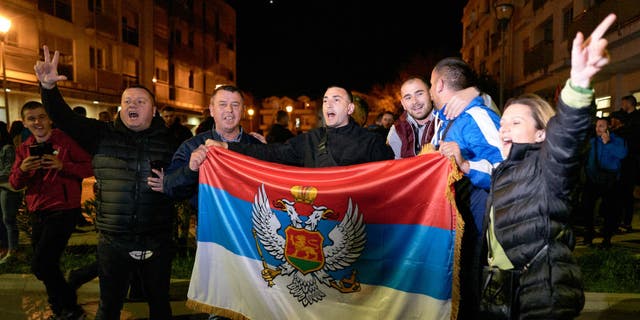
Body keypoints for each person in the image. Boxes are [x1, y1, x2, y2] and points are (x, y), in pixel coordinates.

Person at [478, 14, 616, 320]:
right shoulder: (505, 171)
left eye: (516, 123)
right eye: (502, 124)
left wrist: (578, 84)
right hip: (506, 295)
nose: (504, 130)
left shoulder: (546, 165)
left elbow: (566, 136)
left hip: (542, 296)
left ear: (542, 133)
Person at [35, 45, 179, 320]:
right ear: (120, 107)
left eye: (140, 101)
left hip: (158, 242)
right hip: (113, 243)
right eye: (127, 101)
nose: (132, 105)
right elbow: (65, 118)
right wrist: (48, 88)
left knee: (160, 307)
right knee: (108, 308)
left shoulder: (172, 143)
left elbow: (195, 174)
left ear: (155, 110)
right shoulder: (100, 135)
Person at [9, 101, 94, 319]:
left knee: (40, 265)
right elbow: (15, 184)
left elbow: (89, 166)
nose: (37, 122)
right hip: (37, 211)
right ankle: (62, 309)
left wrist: (63, 166)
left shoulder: (65, 141)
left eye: (41, 117)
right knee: (49, 266)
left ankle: (69, 304)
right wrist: (23, 170)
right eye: (31, 118)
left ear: (49, 119)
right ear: (25, 122)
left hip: (64, 210)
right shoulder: (23, 148)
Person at [206, 86, 394, 167]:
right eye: (325, 100)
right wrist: (228, 147)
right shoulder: (311, 139)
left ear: (350, 108)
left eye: (336, 100)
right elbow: (274, 153)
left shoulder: (372, 143)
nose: (328, 104)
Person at [388, 77, 490, 159]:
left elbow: (485, 106)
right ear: (403, 104)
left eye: (419, 93)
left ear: (431, 95)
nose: (415, 102)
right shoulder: (396, 131)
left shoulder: (448, 116)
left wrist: (475, 92)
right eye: (408, 97)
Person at [581, 117, 627, 247]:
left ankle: (607, 239)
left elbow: (622, 154)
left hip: (610, 180)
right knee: (587, 207)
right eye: (597, 126)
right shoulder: (592, 141)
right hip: (593, 180)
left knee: (609, 210)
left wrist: (608, 143)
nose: (598, 128)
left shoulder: (617, 140)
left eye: (601, 126)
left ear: (608, 127)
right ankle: (589, 234)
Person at [614, 95, 640, 232]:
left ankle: (627, 221)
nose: (622, 105)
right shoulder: (622, 116)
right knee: (620, 191)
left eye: (623, 102)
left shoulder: (636, 119)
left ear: (630, 103)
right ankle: (619, 220)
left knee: (627, 192)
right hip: (621, 158)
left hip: (631, 159)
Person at [0, 121, 23, 265]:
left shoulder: (8, 148)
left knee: (8, 219)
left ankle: (12, 250)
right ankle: (5, 247)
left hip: (8, 188)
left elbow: (9, 171)